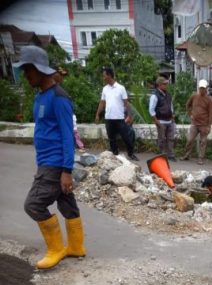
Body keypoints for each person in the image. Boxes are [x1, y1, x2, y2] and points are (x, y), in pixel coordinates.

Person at [13, 46, 86, 270]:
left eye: (28, 70)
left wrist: (66, 170)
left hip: (54, 164)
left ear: (39, 69)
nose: (25, 76)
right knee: (66, 203)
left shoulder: (59, 98)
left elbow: (67, 136)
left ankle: (56, 249)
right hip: (47, 161)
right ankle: (76, 246)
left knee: (33, 205)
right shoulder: (41, 96)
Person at [95, 67, 139, 161]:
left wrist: (129, 116)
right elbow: (102, 102)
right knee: (111, 139)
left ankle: (131, 154)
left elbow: (126, 103)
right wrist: (97, 114)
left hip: (119, 118)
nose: (103, 78)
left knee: (126, 137)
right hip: (109, 118)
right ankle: (115, 155)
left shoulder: (121, 88)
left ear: (110, 75)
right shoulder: (105, 89)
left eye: (104, 76)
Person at [53, 67, 86, 153]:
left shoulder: (57, 92)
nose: (62, 78)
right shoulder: (58, 94)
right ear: (54, 74)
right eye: (60, 75)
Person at [180, 79, 212, 165]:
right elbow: (187, 105)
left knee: (203, 142)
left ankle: (201, 158)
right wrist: (190, 114)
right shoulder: (194, 96)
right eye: (200, 88)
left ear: (206, 89)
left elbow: (210, 113)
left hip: (204, 124)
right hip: (194, 123)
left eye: (203, 88)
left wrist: (209, 126)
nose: (202, 90)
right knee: (190, 139)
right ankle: (186, 155)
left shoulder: (209, 100)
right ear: (198, 88)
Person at [149, 76, 177, 161]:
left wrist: (172, 117)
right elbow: (151, 109)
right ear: (159, 85)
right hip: (160, 120)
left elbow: (170, 106)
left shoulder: (168, 94)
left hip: (169, 120)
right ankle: (162, 155)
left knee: (171, 138)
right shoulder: (155, 96)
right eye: (164, 84)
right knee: (162, 139)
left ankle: (170, 155)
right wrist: (156, 120)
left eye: (166, 84)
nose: (166, 85)